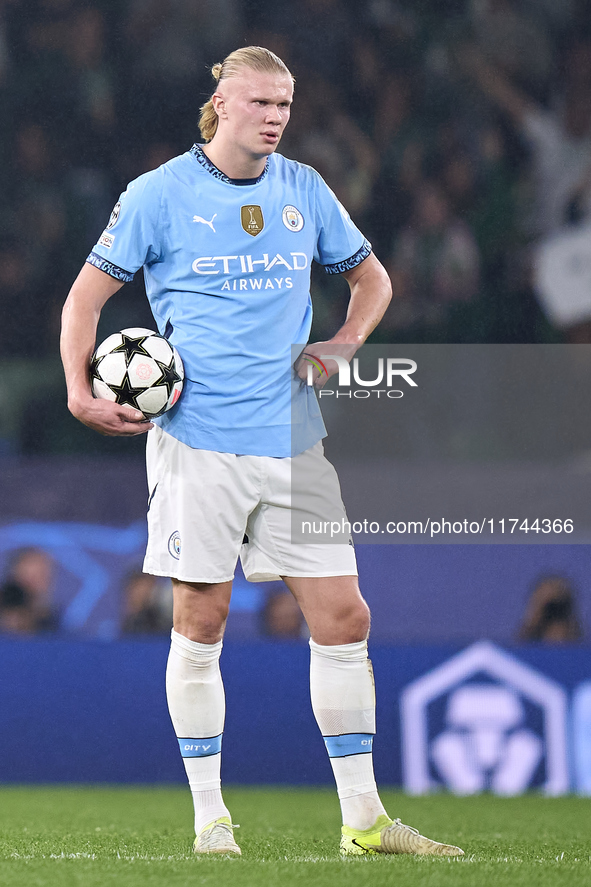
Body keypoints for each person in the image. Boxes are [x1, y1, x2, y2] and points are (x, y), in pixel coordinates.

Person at [60, 46, 463, 859]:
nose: (275, 115)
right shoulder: (159, 194)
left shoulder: (303, 189)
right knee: (200, 621)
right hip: (195, 443)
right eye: (260, 102)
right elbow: (85, 296)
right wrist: (78, 387)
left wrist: (347, 340)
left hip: (292, 441)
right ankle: (211, 820)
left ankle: (364, 823)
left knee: (344, 616)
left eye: (284, 103)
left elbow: (372, 278)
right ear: (222, 103)